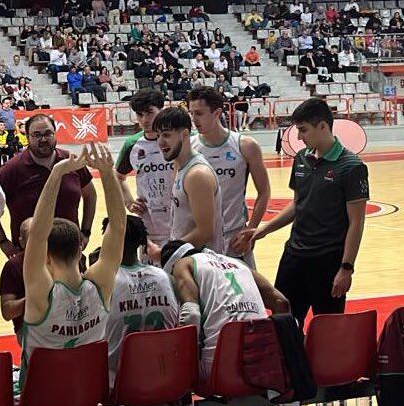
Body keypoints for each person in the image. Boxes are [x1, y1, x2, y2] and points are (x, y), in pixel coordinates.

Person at [0, 144, 124, 406]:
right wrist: (107, 176)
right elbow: (118, 227)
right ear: (80, 248)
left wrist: (57, 173)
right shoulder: (100, 286)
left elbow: (37, 235)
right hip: (88, 395)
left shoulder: (42, 295)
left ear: (42, 254)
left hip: (41, 400)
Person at [234, 98, 369, 326]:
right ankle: (291, 361)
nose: (298, 137)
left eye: (303, 130)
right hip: (294, 256)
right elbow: (298, 204)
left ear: (323, 127)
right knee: (282, 318)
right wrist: (263, 230)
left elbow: (356, 223)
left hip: (328, 261)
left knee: (328, 326)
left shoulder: (352, 167)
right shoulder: (301, 159)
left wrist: (346, 268)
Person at [162, 241, 289, 406]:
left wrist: (189, 349)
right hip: (262, 370)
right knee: (240, 339)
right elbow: (281, 303)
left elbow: (191, 315)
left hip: (219, 373)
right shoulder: (239, 264)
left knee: (183, 348)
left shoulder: (183, 265)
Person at [100, 215, 178, 406]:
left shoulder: (105, 281)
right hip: (168, 376)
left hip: (121, 384)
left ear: (107, 241)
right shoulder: (164, 276)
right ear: (143, 242)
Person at [0, 114, 96, 256]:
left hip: (70, 253)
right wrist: (3, 242)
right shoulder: (12, 169)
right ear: (27, 137)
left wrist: (86, 231)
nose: (43, 139)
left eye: (48, 133)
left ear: (55, 134)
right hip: (31, 254)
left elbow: (90, 195)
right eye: (37, 135)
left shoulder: (71, 161)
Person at [187, 87, 270, 268]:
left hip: (235, 238)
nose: (194, 119)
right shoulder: (188, 148)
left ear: (217, 112)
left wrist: (250, 230)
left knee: (244, 294)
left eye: (199, 113)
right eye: (191, 113)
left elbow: (264, 192)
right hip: (202, 240)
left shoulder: (245, 145)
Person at [150, 106, 224, 261]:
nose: (160, 142)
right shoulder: (179, 165)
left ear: (184, 135)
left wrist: (165, 252)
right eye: (157, 136)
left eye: (166, 135)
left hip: (202, 267)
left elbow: (205, 232)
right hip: (186, 259)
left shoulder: (197, 175)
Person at [114, 89, 174, 259]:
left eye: (149, 113)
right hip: (150, 226)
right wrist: (129, 202)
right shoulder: (132, 144)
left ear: (162, 110)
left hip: (182, 224)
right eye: (139, 114)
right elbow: (118, 177)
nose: (145, 120)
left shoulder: (183, 139)